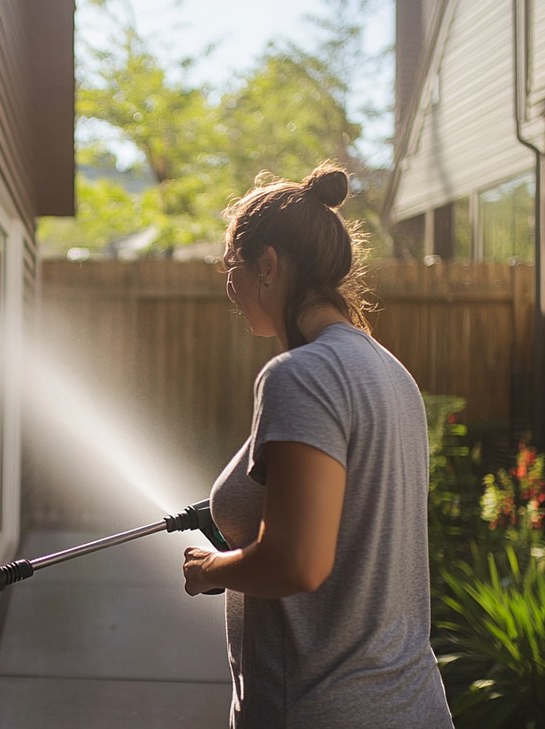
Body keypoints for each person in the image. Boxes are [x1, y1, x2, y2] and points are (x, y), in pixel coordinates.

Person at [180, 162, 453, 728]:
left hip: (320, 709)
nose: (228, 283)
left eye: (232, 266)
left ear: (269, 265)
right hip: (412, 704)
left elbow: (297, 564)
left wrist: (213, 571)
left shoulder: (300, 374)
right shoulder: (390, 372)